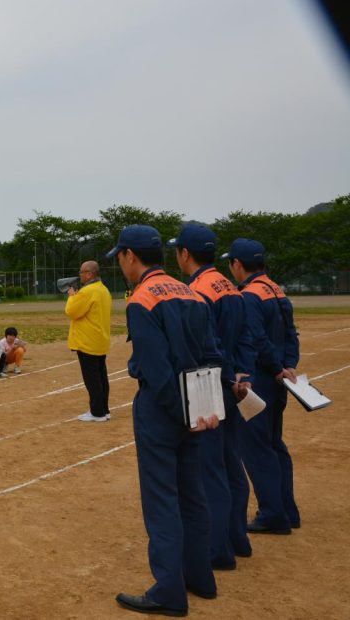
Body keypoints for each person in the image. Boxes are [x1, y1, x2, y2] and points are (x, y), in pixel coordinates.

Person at [108, 225, 223, 616]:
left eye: (120, 257)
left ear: (129, 256)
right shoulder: (191, 292)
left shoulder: (141, 299)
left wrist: (181, 413)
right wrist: (203, 408)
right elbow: (212, 354)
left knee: (162, 502)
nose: (120, 263)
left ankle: (170, 592)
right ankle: (200, 578)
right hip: (194, 402)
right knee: (192, 495)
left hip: (162, 410)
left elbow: (156, 371)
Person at [170, 223, 255, 568]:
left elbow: (201, 346)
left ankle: (217, 548)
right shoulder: (229, 286)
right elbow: (245, 336)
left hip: (209, 387)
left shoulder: (198, 290)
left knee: (209, 472)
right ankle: (237, 538)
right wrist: (242, 375)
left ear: (185, 254)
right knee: (231, 466)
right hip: (234, 385)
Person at [224, 238, 301, 535]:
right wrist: (288, 365)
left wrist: (274, 367)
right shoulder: (276, 289)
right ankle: (287, 510)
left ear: (237, 264)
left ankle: (272, 514)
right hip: (280, 380)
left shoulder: (249, 295)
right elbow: (291, 334)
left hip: (261, 381)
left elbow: (256, 339)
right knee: (274, 444)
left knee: (257, 450)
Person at [66, 260, 113, 422]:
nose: (80, 276)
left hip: (87, 341)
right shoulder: (104, 289)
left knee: (92, 379)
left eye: (82, 272)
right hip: (100, 339)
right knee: (101, 377)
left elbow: (72, 311)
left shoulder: (88, 291)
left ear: (89, 273)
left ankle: (97, 412)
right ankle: (104, 409)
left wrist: (72, 296)